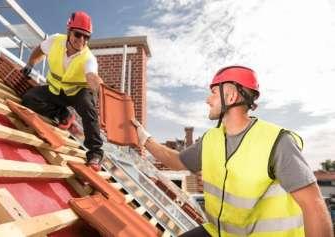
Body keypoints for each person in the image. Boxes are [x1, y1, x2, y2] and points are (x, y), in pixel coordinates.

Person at [132, 66, 333, 237]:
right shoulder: (211, 139)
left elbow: (313, 205)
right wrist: (144, 138)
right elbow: (176, 161)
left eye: (212, 92)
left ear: (231, 95)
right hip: (221, 232)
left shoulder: (277, 141)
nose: (207, 99)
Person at [21, 11, 104, 170]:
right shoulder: (55, 41)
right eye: (78, 34)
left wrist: (102, 91)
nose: (82, 40)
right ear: (69, 32)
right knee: (29, 98)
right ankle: (63, 114)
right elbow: (39, 50)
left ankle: (95, 153)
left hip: (77, 93)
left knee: (88, 107)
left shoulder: (88, 58)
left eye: (87, 37)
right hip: (55, 91)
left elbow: (92, 76)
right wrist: (30, 64)